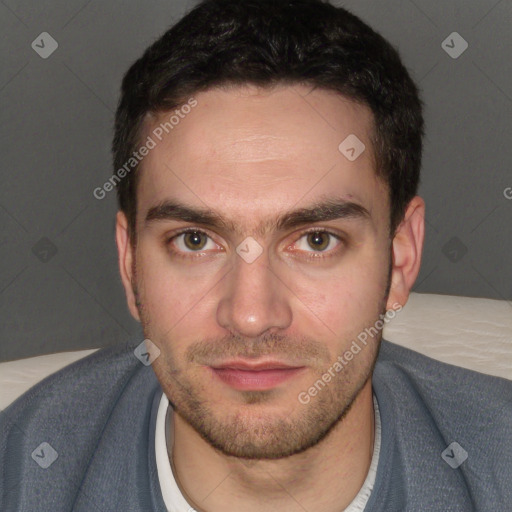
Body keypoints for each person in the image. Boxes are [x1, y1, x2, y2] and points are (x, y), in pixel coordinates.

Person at [1, 0, 511, 510]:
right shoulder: (21, 474)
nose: (250, 316)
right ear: (131, 263)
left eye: (316, 240)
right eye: (195, 241)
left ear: (400, 259)